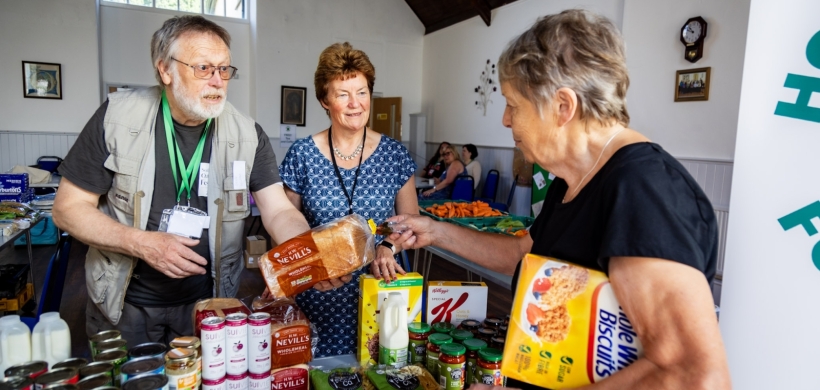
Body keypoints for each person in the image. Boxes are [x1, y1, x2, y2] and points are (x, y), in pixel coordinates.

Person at [389, 10, 731, 390]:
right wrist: (435, 232)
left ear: (563, 107)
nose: (505, 120)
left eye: (513, 105)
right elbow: (520, 254)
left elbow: (693, 375)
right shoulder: (571, 180)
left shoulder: (643, 188)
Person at [52, 15, 310, 346]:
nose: (218, 81)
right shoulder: (115, 118)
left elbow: (278, 211)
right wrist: (143, 243)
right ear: (165, 70)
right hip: (125, 305)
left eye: (224, 69)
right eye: (203, 68)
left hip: (210, 305)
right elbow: (68, 209)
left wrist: (310, 256)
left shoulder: (247, 134)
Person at [278, 42, 418, 357]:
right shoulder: (302, 155)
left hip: (379, 294)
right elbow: (283, 227)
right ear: (324, 101)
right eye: (343, 94)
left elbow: (412, 225)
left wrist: (388, 246)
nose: (355, 104)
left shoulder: (394, 155)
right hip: (318, 295)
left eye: (362, 92)